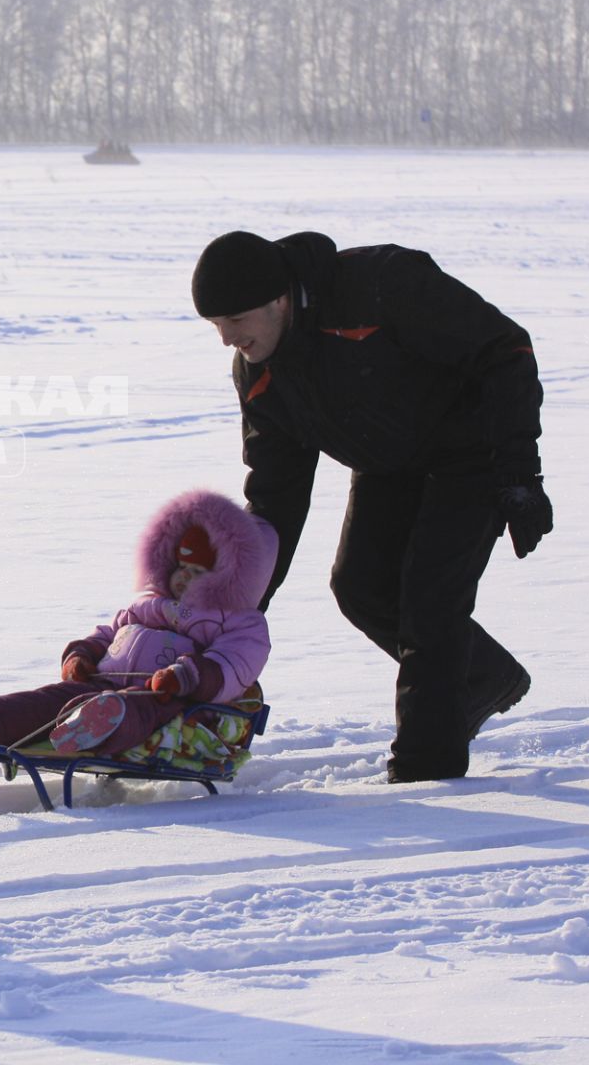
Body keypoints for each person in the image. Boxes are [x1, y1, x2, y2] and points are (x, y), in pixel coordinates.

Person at [190, 229, 550, 783]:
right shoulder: (261, 372)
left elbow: (506, 349)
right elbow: (275, 498)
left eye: (234, 321)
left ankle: (426, 774)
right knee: (361, 586)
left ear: (279, 299)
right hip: (391, 460)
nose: (225, 339)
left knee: (431, 603)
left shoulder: (378, 288)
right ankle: (479, 680)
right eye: (215, 326)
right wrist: (241, 600)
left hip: (474, 449)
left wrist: (520, 472)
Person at [0, 490, 277, 760]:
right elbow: (110, 633)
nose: (184, 579)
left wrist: (186, 675)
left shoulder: (242, 624)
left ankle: (96, 729)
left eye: (198, 573)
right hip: (102, 685)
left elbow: (234, 664)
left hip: (167, 700)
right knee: (48, 699)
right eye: (182, 568)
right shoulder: (150, 602)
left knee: (132, 709)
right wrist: (82, 653)